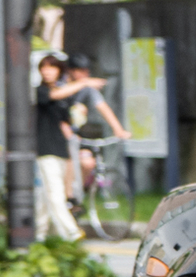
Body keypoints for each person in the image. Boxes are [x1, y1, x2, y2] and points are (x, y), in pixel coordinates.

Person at [57, 53, 127, 200]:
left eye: (87, 71)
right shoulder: (59, 86)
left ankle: (76, 195)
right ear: (70, 70)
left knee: (88, 163)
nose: (85, 75)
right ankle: (67, 196)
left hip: (74, 136)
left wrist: (118, 129)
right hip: (55, 135)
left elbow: (102, 107)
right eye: (80, 71)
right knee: (70, 157)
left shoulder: (87, 88)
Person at [31, 54, 81, 241]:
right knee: (54, 193)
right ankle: (71, 232)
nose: (47, 71)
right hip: (45, 149)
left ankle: (40, 234)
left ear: (59, 70)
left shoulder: (63, 96)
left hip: (60, 148)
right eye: (44, 67)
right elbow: (54, 95)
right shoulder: (40, 92)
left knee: (45, 195)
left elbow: (66, 122)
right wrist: (83, 84)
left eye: (51, 67)